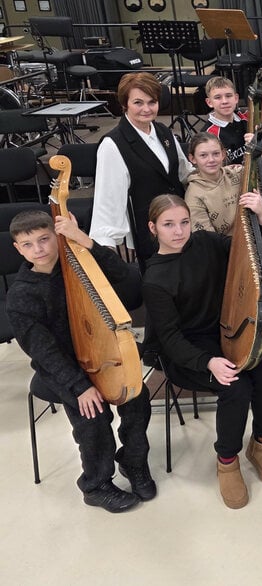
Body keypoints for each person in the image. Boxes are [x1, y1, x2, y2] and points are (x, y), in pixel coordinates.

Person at [7, 210, 154, 513]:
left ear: (57, 235)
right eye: (28, 244)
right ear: (17, 249)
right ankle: (96, 483)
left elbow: (129, 283)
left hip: (101, 353)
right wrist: (79, 386)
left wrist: (86, 242)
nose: (39, 249)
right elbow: (43, 351)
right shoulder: (21, 295)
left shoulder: (78, 264)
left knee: (136, 396)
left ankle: (133, 461)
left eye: (45, 239)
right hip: (61, 368)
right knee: (93, 414)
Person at [142, 194, 262, 509]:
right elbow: (169, 338)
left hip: (227, 331)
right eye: (168, 225)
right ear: (153, 228)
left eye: (184, 222)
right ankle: (227, 459)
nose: (179, 231)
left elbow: (253, 254)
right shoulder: (155, 278)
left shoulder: (205, 242)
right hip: (188, 349)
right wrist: (208, 362)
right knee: (236, 386)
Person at [89, 72, 194, 264]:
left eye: (152, 102)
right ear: (124, 105)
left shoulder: (163, 131)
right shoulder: (113, 144)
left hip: (180, 227)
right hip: (150, 235)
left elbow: (184, 172)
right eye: (138, 103)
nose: (146, 109)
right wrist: (107, 250)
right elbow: (108, 199)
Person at [184, 132, 262, 236]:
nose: (211, 160)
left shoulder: (238, 172)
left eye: (216, 154)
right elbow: (209, 241)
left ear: (223, 154)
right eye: (203, 155)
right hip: (230, 248)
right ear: (192, 159)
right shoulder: (193, 195)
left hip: (261, 236)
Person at [203, 70, 262, 164]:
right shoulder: (208, 134)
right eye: (218, 97)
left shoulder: (248, 117)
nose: (224, 101)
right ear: (209, 102)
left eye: (228, 96)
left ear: (236, 98)